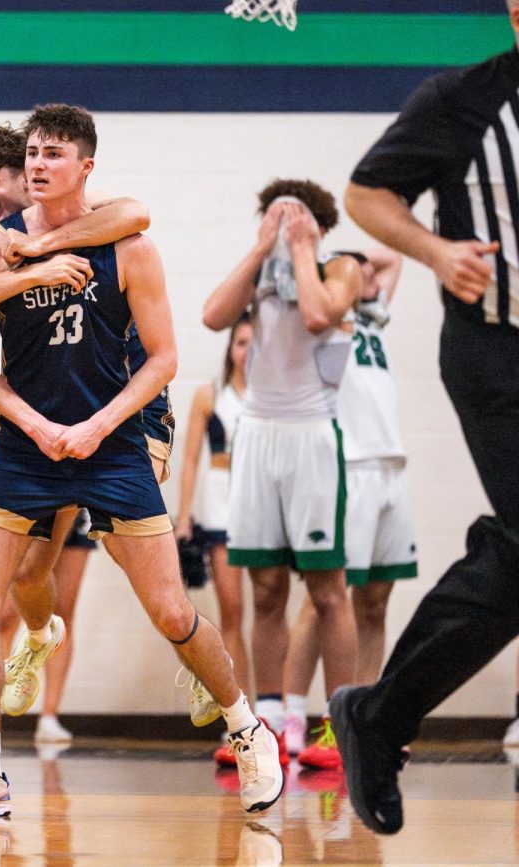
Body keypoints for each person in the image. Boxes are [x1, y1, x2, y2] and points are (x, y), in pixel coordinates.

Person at [0, 103, 281, 820]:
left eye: (52, 153)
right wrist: (28, 419)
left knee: (171, 609)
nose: (36, 163)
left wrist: (96, 423)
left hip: (114, 438)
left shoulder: (130, 242)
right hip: (28, 444)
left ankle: (248, 726)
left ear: (85, 166)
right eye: (31, 151)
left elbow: (165, 358)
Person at [331, 0, 519, 835]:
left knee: (517, 553)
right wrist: (438, 252)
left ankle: (379, 714)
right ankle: (382, 715)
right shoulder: (464, 100)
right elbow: (367, 194)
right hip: (497, 350)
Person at [0, 124, 157, 745]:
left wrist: (46, 246)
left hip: (123, 414)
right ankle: (38, 640)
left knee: (131, 584)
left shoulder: (97, 222)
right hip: (43, 423)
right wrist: (31, 270)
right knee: (27, 577)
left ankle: (199, 667)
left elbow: (139, 210)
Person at [202, 179, 363, 761]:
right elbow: (212, 316)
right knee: (264, 587)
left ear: (318, 226)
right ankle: (265, 723)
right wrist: (260, 249)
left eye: (293, 219)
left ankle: (339, 726)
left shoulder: (342, 268)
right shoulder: (259, 278)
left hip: (311, 438)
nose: (282, 227)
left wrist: (302, 247)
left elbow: (319, 315)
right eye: (272, 218)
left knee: (326, 588)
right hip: (257, 436)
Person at [279, 248, 415, 769]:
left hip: (391, 469)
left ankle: (361, 724)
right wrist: (331, 266)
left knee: (375, 601)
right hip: (347, 467)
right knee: (323, 600)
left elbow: (393, 260)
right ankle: (291, 725)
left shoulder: (372, 319)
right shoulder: (320, 321)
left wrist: (357, 266)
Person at [173, 315, 252, 764]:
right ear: (230, 347)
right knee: (231, 611)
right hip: (221, 506)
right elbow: (188, 460)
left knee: (267, 608)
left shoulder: (275, 393)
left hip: (259, 506)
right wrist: (185, 516)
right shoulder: (210, 393)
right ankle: (236, 713)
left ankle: (270, 712)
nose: (248, 351)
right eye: (241, 342)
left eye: (255, 344)